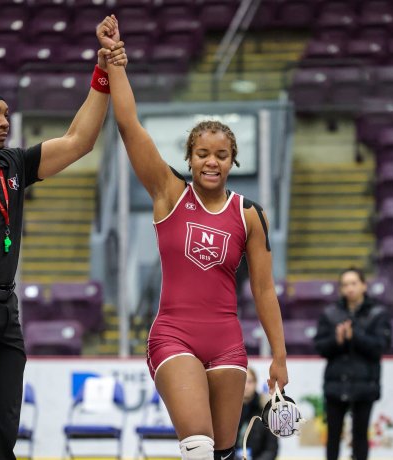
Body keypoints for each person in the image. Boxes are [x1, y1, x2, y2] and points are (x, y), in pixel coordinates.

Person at [97, 15, 288, 460]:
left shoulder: (250, 215)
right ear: (190, 156)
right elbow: (129, 126)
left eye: (222, 155)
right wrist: (117, 62)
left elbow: (263, 290)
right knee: (198, 447)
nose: (211, 162)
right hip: (173, 336)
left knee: (222, 453)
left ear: (233, 160)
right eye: (202, 153)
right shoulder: (169, 194)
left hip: (228, 342)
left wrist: (278, 356)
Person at [0, 19, 127, 459]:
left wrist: (102, 71)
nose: (3, 121)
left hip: (5, 308)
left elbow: (79, 140)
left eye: (7, 114)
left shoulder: (10, 164)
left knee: (4, 425)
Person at [313, 267, 392, 460]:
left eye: (354, 283)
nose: (349, 288)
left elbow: (381, 346)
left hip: (365, 384)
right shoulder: (330, 313)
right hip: (335, 383)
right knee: (332, 436)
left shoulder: (378, 313)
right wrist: (337, 340)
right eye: (345, 284)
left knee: (360, 436)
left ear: (364, 285)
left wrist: (355, 336)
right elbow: (320, 346)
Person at [236, 368, 278, 460]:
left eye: (249, 382)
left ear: (255, 383)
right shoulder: (230, 410)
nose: (246, 386)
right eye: (243, 381)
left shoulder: (265, 409)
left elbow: (271, 449)